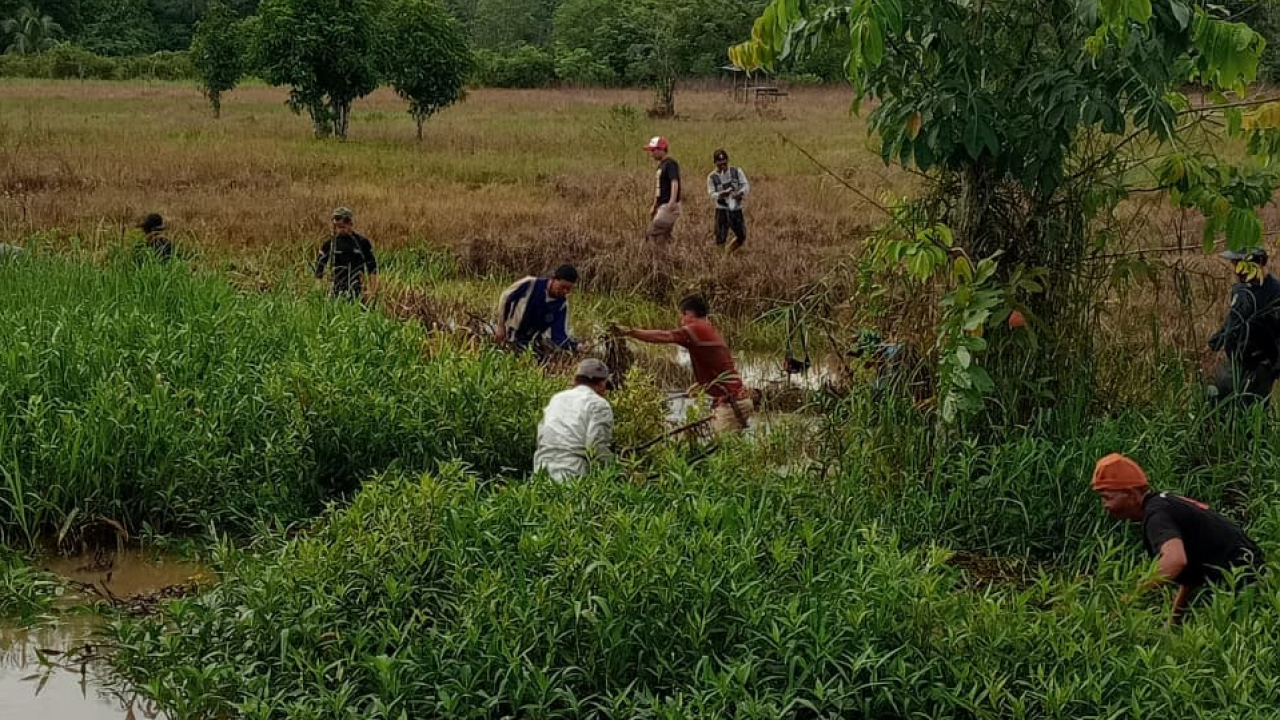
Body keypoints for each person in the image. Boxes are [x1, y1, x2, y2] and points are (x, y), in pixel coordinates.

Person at [1091, 453, 1264, 625]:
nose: (1105, 505)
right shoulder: (1164, 504)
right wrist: (1173, 623)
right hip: (1252, 574)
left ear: (1131, 493)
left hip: (1243, 584)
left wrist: (1132, 595)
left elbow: (1175, 561)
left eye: (1107, 497)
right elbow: (1191, 570)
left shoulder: (1156, 516)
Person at [617, 294, 753, 434]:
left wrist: (630, 332)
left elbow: (664, 336)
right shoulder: (708, 329)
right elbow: (718, 366)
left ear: (688, 313)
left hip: (731, 404)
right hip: (738, 401)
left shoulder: (696, 328)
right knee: (726, 446)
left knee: (722, 450)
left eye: (682, 316)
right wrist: (701, 385)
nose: (681, 321)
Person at [1208, 246, 1280, 406]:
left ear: (1259, 263)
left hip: (1260, 365)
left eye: (1240, 264)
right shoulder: (1242, 289)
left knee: (1251, 410)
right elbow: (1236, 317)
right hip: (1236, 359)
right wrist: (1221, 334)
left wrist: (1273, 367)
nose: (1236, 271)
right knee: (1220, 398)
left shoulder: (1274, 292)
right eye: (1234, 265)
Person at [534, 358, 615, 481]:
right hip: (571, 473)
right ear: (602, 384)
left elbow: (541, 435)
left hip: (541, 470)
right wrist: (617, 471)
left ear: (575, 380)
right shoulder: (599, 404)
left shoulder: (557, 399)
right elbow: (596, 446)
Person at [496, 264, 580, 356]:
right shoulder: (530, 284)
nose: (565, 291)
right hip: (512, 334)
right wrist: (501, 326)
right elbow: (505, 297)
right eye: (562, 287)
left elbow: (558, 335)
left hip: (531, 341)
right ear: (553, 279)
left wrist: (577, 347)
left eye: (569, 289)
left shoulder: (561, 305)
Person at [315, 207, 379, 302]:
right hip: (336, 292)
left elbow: (372, 268)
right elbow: (319, 268)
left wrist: (372, 293)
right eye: (338, 226)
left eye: (344, 224)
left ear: (350, 223)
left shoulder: (362, 242)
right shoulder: (330, 244)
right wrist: (319, 292)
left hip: (358, 291)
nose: (341, 228)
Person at [706, 149, 749, 251]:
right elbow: (711, 193)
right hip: (721, 209)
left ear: (728, 161)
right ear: (715, 163)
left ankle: (728, 252)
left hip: (736, 209)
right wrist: (721, 194)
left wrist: (741, 193)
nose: (722, 167)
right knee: (720, 238)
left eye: (724, 163)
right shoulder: (711, 177)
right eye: (719, 164)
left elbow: (745, 185)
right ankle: (721, 260)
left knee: (741, 236)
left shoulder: (737, 171)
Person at [644, 136, 681, 244]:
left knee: (652, 232)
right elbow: (659, 187)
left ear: (661, 149)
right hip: (661, 205)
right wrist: (655, 205)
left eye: (653, 150)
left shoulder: (670, 164)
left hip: (668, 205)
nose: (651, 153)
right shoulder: (661, 166)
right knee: (661, 238)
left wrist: (672, 202)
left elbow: (674, 182)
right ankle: (669, 255)